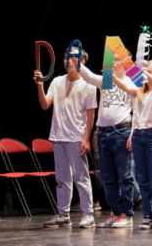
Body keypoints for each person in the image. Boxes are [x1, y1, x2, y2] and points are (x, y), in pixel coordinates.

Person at [35, 48, 98, 228]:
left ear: (82, 62)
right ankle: (63, 214)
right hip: (58, 135)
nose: (68, 60)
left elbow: (91, 115)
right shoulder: (57, 81)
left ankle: (88, 214)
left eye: (72, 57)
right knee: (62, 179)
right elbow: (45, 105)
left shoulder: (88, 85)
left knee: (81, 177)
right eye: (65, 57)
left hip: (76, 137)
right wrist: (40, 85)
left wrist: (86, 139)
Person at [111, 60, 152, 229]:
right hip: (139, 136)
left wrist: (143, 71)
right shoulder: (138, 91)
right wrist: (113, 78)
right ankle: (149, 215)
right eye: (150, 71)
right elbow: (127, 90)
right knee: (143, 179)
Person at [78, 52, 137, 228]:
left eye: (117, 59)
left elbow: (137, 111)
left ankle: (126, 214)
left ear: (125, 62)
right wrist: (76, 60)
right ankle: (115, 212)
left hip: (122, 132)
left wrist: (132, 134)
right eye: (112, 59)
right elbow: (88, 76)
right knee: (108, 177)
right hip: (103, 134)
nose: (112, 62)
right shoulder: (106, 81)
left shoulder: (132, 81)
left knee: (124, 176)